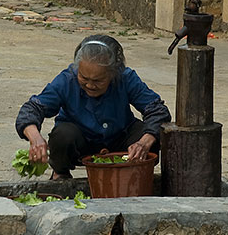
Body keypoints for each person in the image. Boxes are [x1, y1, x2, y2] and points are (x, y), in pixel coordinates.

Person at [15, 34, 171, 180]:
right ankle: (60, 173)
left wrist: (144, 142)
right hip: (82, 143)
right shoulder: (67, 80)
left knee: (153, 133)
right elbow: (32, 109)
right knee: (62, 136)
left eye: (98, 81)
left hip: (120, 140)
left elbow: (157, 111)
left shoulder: (126, 78)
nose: (90, 85)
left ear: (113, 73)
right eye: (84, 77)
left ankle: (130, 176)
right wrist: (35, 139)